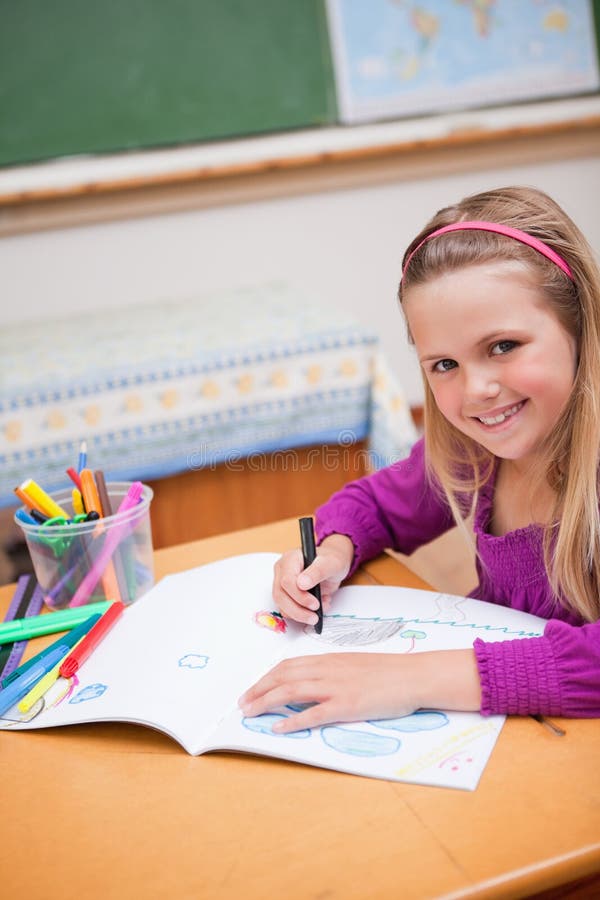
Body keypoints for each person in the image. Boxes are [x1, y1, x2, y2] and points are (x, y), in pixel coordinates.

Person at [239, 185, 600, 733]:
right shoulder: (472, 454)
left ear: (578, 328)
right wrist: (334, 551)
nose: (477, 388)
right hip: (504, 733)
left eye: (503, 346)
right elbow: (378, 504)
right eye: (444, 364)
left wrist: (407, 679)